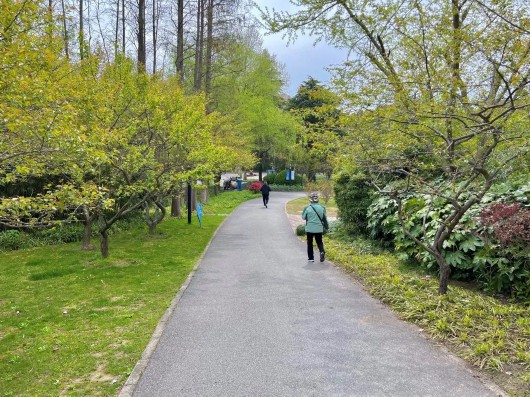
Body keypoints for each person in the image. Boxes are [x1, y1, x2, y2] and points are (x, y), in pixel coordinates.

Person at [301, 192, 328, 262]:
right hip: (319, 228)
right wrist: (327, 227)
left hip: (309, 228)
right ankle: (322, 251)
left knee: (310, 243)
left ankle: (311, 258)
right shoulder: (322, 208)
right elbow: (324, 219)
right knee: (319, 241)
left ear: (311, 200)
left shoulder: (307, 208)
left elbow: (303, 217)